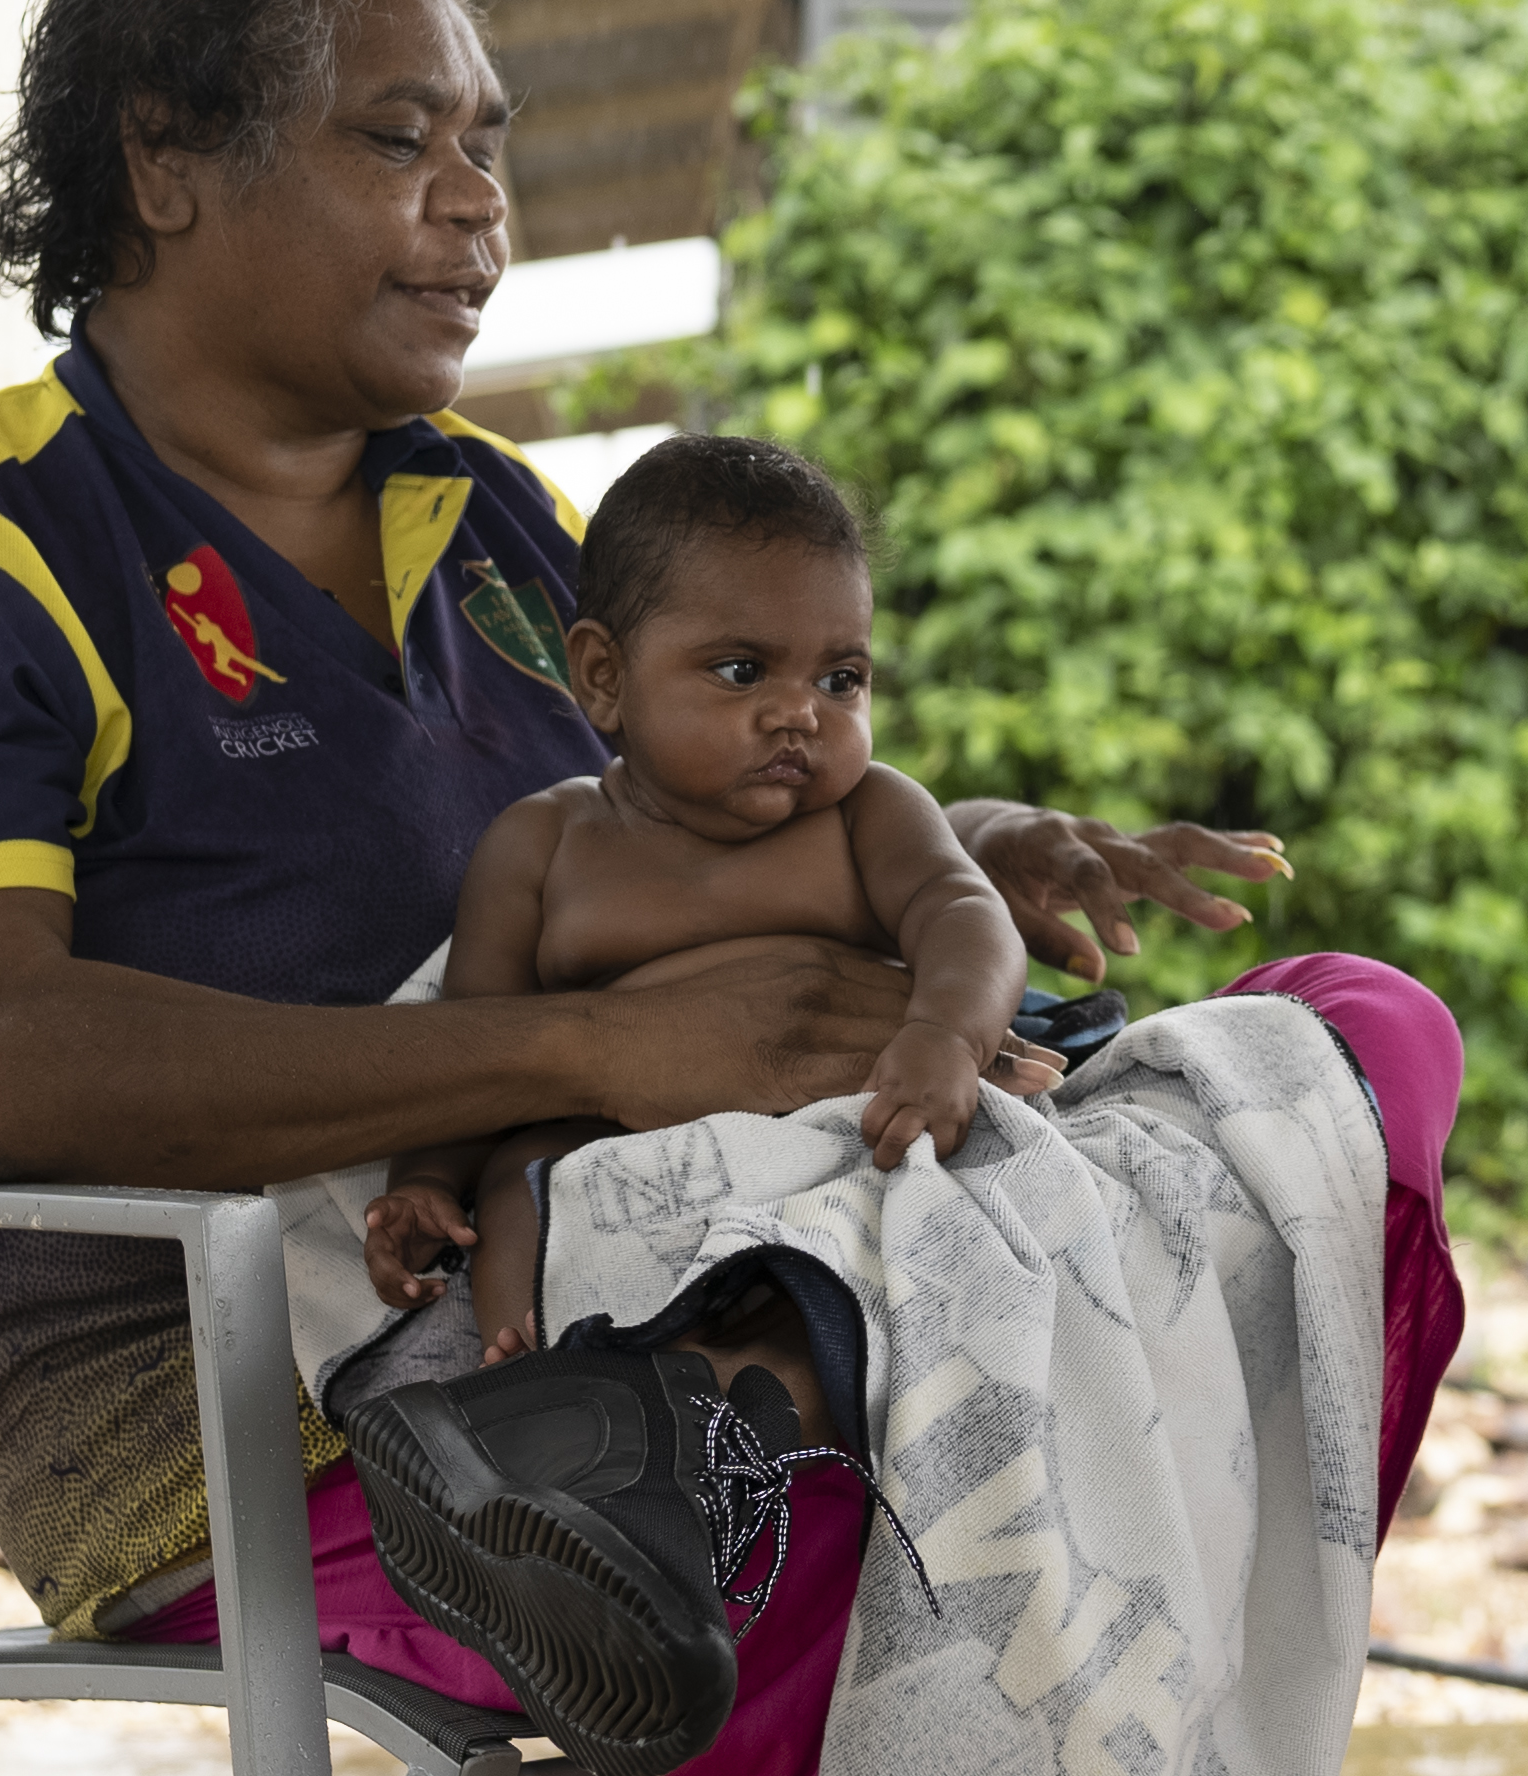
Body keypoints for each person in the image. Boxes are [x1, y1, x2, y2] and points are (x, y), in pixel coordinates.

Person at [0, 0, 1460, 1773]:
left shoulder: (505, 523)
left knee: (1347, 1052)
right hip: (280, 1409)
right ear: (166, 162)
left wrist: (952, 849)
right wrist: (593, 1047)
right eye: (399, 139)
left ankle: (750, 1415)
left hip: (686, 1261)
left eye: (487, 145)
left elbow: (674, 835)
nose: (478, 205)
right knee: (926, 1492)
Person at [361, 434, 1036, 1360]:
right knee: (521, 1184)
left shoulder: (866, 814)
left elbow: (966, 916)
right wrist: (428, 1181)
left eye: (840, 679)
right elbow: (470, 1051)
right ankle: (535, 1372)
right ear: (604, 677)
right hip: (615, 1159)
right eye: (742, 670)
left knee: (939, 1176)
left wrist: (946, 1035)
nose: (800, 712)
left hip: (830, 1139)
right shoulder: (544, 845)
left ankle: (775, 1371)